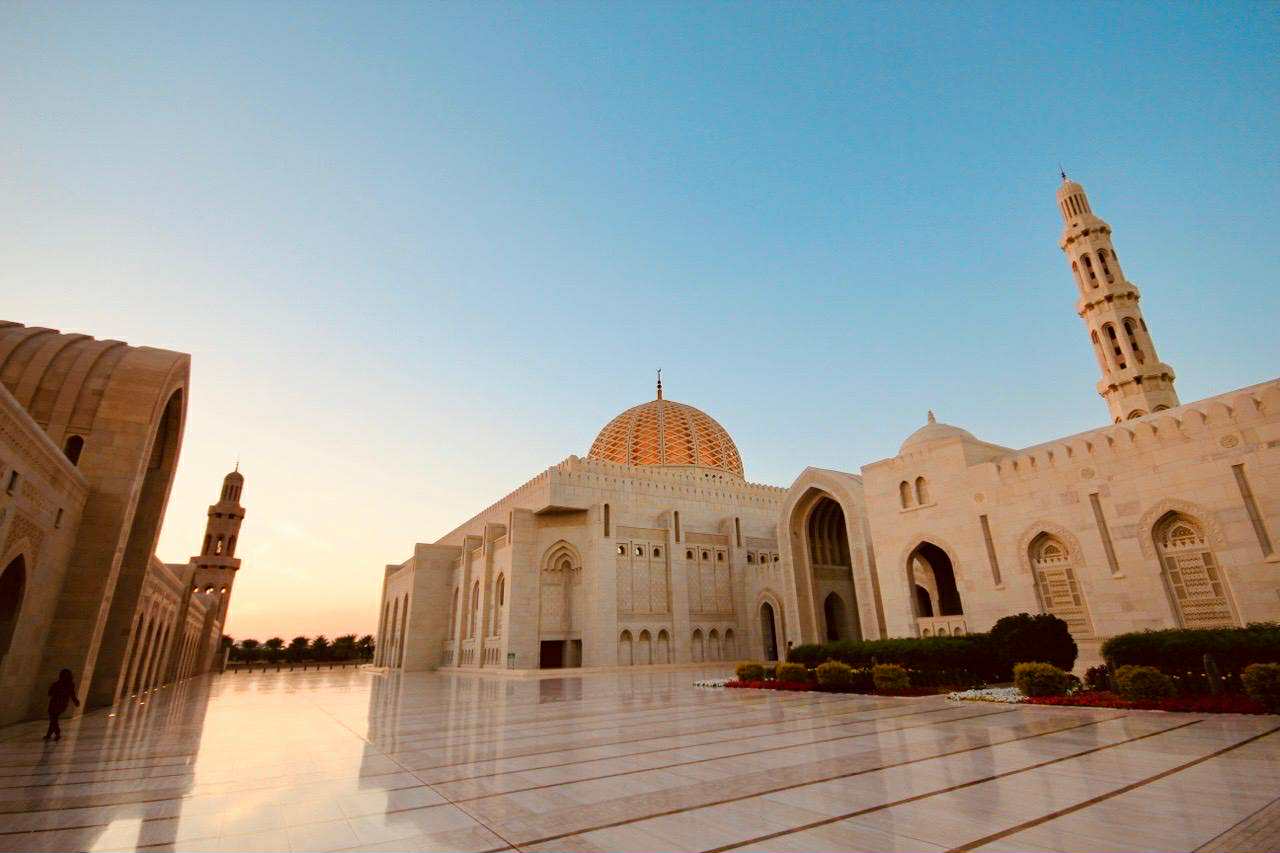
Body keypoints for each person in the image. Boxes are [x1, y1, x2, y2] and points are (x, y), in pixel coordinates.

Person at [44, 669, 79, 741]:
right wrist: (76, 701)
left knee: (53, 719)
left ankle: (57, 733)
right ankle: (49, 734)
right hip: (62, 704)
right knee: (54, 719)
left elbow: (50, 693)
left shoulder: (57, 684)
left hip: (55, 703)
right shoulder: (70, 684)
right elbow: (72, 694)